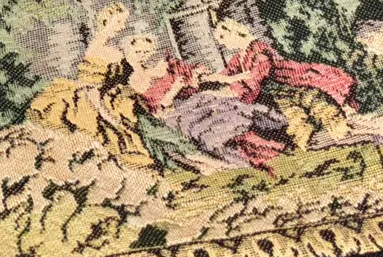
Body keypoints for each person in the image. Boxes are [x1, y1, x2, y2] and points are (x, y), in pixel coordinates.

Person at [122, 34, 289, 174]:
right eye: (138, 52)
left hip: (194, 100)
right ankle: (243, 155)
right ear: (129, 53)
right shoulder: (135, 80)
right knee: (205, 128)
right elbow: (160, 105)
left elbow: (203, 77)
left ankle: (264, 141)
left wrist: (232, 78)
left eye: (146, 51)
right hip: (174, 113)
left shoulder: (166, 66)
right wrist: (176, 88)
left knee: (226, 109)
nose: (143, 56)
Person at [25, 3, 156, 170]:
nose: (122, 27)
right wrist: (105, 112)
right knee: (106, 136)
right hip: (91, 101)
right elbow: (92, 87)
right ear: (106, 21)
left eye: (123, 22)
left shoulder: (112, 48)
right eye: (118, 22)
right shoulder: (98, 49)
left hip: (112, 98)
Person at [211, 17, 360, 151]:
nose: (221, 42)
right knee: (294, 116)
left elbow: (257, 77)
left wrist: (236, 88)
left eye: (222, 37)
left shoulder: (258, 49)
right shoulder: (240, 56)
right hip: (273, 95)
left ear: (233, 32)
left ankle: (341, 131)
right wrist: (211, 78)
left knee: (316, 104)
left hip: (288, 84)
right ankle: (314, 142)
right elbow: (227, 73)